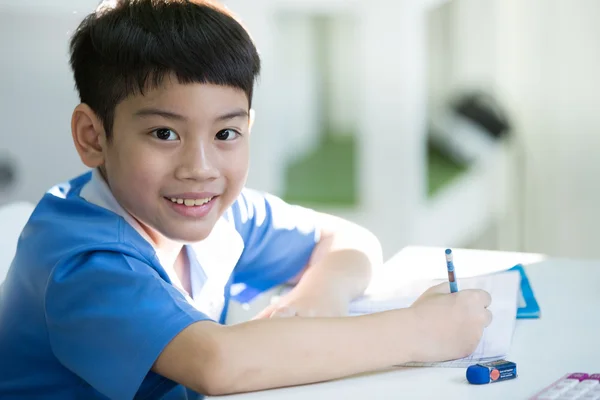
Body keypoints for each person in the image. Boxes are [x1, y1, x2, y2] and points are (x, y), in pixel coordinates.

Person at [0, 1, 493, 399]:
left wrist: (318, 296)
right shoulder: (81, 260)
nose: (200, 166)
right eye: (164, 132)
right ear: (92, 136)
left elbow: (346, 238)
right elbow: (217, 364)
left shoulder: (212, 212)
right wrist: (418, 333)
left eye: (226, 133)